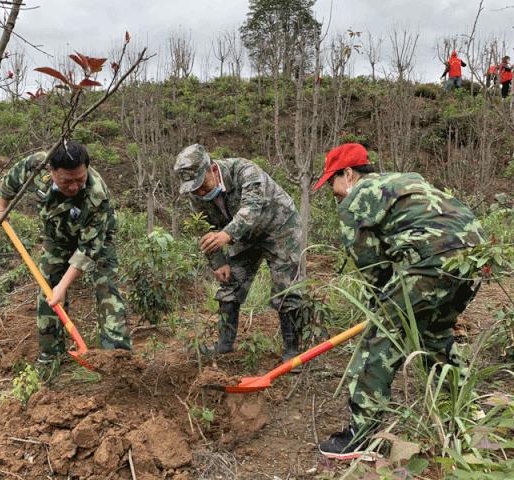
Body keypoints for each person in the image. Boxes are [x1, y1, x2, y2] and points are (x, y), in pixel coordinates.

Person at [313, 143, 484, 459]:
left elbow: (372, 266)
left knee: (380, 340)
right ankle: (463, 414)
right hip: (475, 261)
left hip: (430, 263)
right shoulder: (405, 180)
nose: (333, 193)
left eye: (332, 183)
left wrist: (382, 306)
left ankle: (360, 438)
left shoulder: (356, 198)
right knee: (434, 334)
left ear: (348, 174)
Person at [0, 140, 131, 365]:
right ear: (51, 170)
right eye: (67, 181)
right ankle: (51, 359)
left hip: (97, 241)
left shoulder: (96, 195)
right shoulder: (37, 165)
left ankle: (117, 359)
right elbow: (12, 179)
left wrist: (63, 287)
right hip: (57, 239)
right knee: (48, 295)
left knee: (107, 290)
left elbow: (87, 251)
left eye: (80, 179)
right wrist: (1, 205)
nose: (75, 186)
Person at [174, 144, 306, 367]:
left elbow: (251, 209)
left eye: (201, 185)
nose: (200, 192)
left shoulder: (245, 171)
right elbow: (205, 230)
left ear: (212, 169)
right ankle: (224, 344)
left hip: (280, 228)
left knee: (287, 287)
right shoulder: (196, 196)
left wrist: (226, 235)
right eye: (194, 189)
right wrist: (218, 262)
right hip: (243, 237)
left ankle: (292, 352)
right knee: (229, 286)